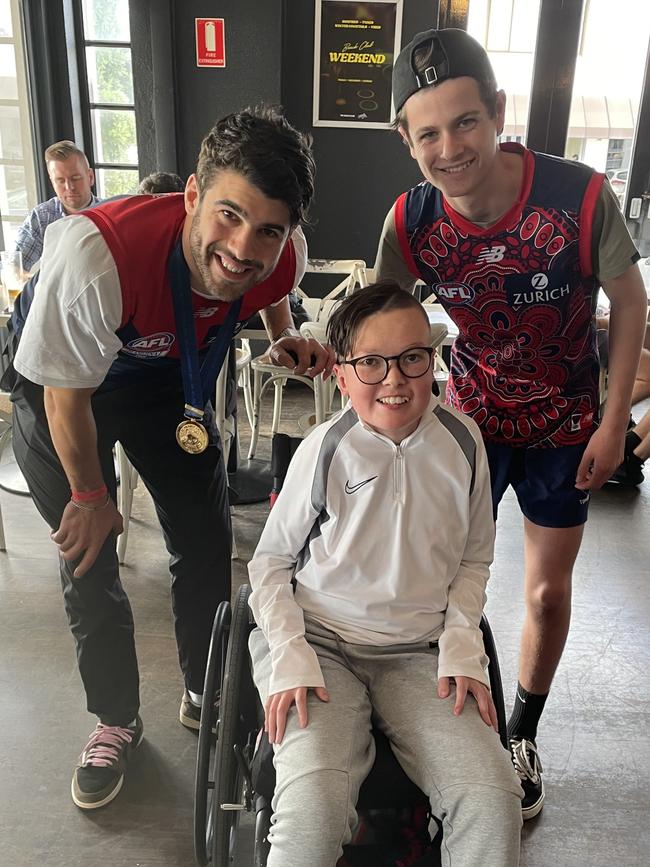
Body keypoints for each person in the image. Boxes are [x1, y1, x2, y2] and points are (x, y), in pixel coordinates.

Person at [10, 106, 333, 811]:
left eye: (268, 230)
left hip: (161, 388)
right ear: (191, 195)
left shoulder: (282, 250)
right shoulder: (97, 254)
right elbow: (66, 400)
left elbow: (272, 289)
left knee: (206, 535)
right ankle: (115, 720)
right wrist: (92, 499)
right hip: (63, 395)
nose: (243, 247)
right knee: (88, 557)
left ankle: (205, 685)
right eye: (227, 215)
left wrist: (281, 337)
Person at [374, 28, 648, 819]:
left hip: (568, 424)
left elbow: (628, 301)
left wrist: (610, 417)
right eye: (428, 132)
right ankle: (441, 727)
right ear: (407, 139)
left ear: (497, 111)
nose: (450, 147)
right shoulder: (411, 220)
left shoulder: (580, 195)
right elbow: (383, 318)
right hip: (472, 420)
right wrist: (350, 366)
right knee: (436, 582)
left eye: (465, 122)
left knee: (544, 594)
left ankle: (522, 732)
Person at [248, 282, 523, 867]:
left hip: (420, 652)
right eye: (371, 363)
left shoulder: (464, 442)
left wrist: (460, 641)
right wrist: (289, 648)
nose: (394, 380)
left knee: (494, 800)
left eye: (411, 359)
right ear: (341, 375)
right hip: (321, 646)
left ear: (433, 360)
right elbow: (269, 561)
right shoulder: (326, 448)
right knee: (310, 812)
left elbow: (475, 559)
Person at [14, 140, 100, 272]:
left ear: (90, 177)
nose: (69, 187)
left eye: (76, 178)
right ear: (52, 182)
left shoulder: (110, 213)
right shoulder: (42, 217)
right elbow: (17, 267)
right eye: (60, 181)